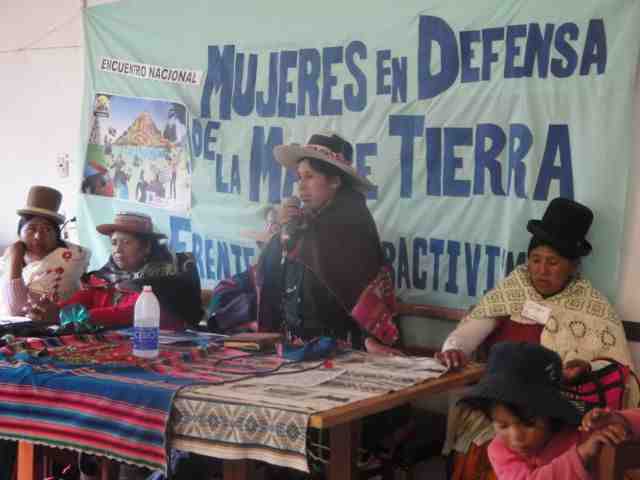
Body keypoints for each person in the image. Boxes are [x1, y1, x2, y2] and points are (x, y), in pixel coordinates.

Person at [435, 198, 638, 479]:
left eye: (553, 262)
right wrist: (454, 348)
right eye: (535, 260)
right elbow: (474, 326)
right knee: (489, 439)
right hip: (503, 403)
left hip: (554, 411)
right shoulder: (512, 288)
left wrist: (584, 368)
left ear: (573, 266)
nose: (542, 270)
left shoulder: (593, 306)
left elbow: (616, 368)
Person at [210, 130, 400, 355]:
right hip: (296, 348)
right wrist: (283, 231)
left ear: (335, 181)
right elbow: (271, 275)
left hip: (342, 351)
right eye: (299, 177)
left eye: (310, 177)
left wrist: (370, 341)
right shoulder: (302, 226)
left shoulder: (352, 225)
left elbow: (361, 294)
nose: (300, 186)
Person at [461, 341, 640, 479]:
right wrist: (581, 455)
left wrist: (616, 420)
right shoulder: (500, 449)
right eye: (502, 425)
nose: (516, 437)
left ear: (551, 415)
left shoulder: (579, 430)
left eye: (529, 423)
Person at [28, 211, 201, 330]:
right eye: (114, 242)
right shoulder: (104, 277)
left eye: (126, 243)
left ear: (146, 247)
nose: (118, 249)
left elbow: (129, 312)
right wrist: (54, 310)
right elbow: (84, 299)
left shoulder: (165, 279)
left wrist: (71, 317)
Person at [0, 185, 90, 315]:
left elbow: (17, 311)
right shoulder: (9, 259)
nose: (38, 236)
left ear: (57, 237)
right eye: (31, 229)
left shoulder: (68, 261)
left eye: (47, 230)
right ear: (20, 234)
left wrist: (15, 256)